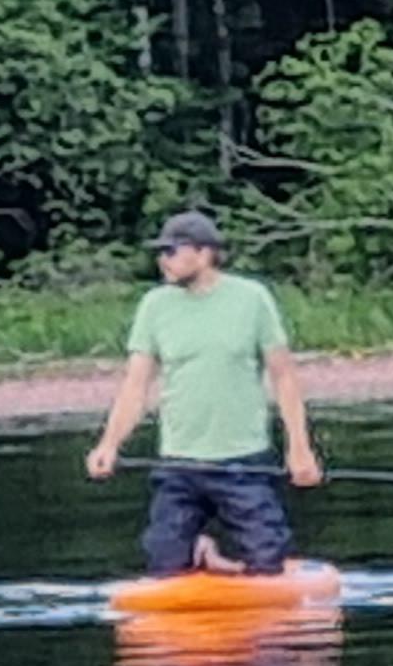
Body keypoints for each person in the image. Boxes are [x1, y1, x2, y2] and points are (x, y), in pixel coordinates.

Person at [85, 211, 322, 575]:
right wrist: (109, 445)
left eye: (172, 251)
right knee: (163, 562)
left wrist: (299, 448)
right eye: (161, 252)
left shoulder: (252, 298)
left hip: (242, 459)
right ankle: (198, 550)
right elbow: (135, 386)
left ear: (205, 252)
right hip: (179, 463)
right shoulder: (154, 306)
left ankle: (220, 561)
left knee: (268, 561)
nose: (163, 259)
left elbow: (284, 376)